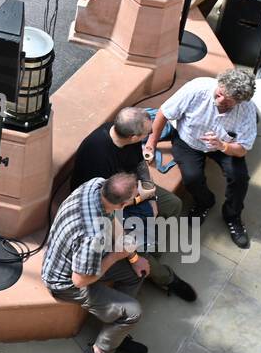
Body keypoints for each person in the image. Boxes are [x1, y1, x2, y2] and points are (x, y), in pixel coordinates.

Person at [71, 107, 198, 302]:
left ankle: (154, 251)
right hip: (107, 206)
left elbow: (140, 165)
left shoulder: (124, 135)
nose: (150, 137)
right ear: (133, 136)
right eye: (147, 134)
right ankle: (167, 278)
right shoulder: (96, 157)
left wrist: (151, 195)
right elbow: (106, 206)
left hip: (130, 189)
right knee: (135, 245)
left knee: (173, 204)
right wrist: (139, 199)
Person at [42, 171, 148, 353]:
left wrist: (133, 257)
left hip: (80, 256)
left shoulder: (96, 184)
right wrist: (117, 255)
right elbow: (80, 280)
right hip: (65, 281)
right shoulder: (92, 235)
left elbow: (112, 219)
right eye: (134, 196)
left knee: (136, 273)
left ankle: (115, 331)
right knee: (133, 312)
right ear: (122, 204)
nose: (138, 197)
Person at [145, 68, 258, 248]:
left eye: (228, 102)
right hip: (188, 140)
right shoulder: (197, 89)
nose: (220, 101)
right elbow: (164, 113)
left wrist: (223, 146)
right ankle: (205, 202)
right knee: (192, 178)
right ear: (219, 84)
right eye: (219, 94)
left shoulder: (247, 109)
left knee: (240, 178)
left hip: (224, 146)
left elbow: (243, 148)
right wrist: (152, 140)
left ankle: (233, 216)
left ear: (239, 102)